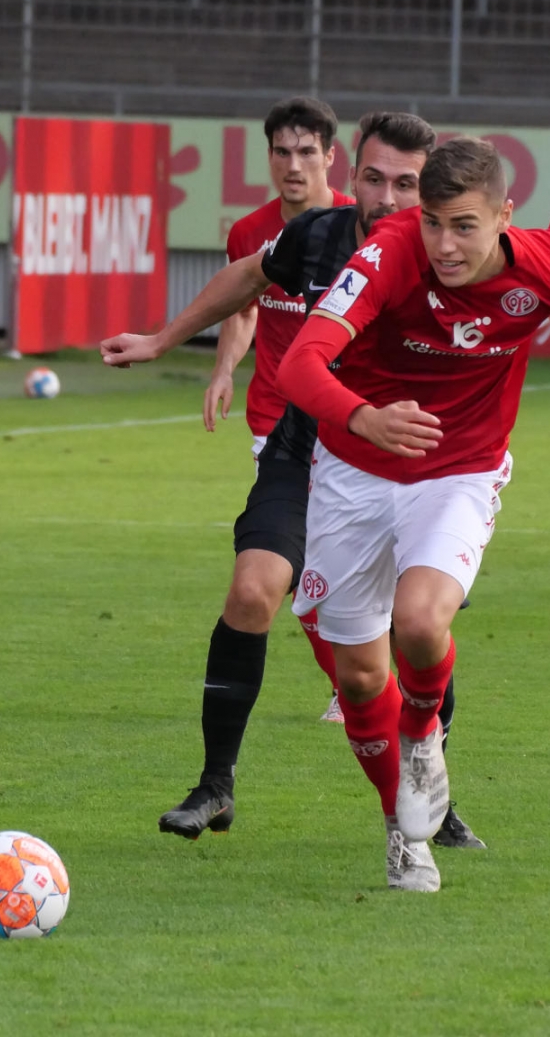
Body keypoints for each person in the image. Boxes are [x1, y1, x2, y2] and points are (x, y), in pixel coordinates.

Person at [101, 114, 485, 882]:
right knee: (252, 591)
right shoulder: (316, 237)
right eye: (373, 179)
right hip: (302, 453)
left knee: (395, 648)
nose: (383, 197)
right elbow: (248, 276)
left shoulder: (453, 258)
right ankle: (215, 786)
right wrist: (162, 340)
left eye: (404, 183)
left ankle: (426, 788)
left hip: (401, 474)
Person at [274, 135, 550, 891]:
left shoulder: (549, 266)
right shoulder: (392, 253)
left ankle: (424, 730)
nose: (444, 243)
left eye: (464, 225)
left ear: (505, 215)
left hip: (461, 471)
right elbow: (300, 362)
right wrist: (365, 418)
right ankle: (404, 830)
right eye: (432, 222)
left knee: (423, 623)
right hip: (355, 471)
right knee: (361, 678)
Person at [204, 97, 353, 724]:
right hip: (276, 421)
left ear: (330, 156)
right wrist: (223, 368)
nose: (293, 165)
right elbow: (243, 309)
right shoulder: (250, 231)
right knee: (300, 571)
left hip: (347, 423)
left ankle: (364, 681)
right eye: (281, 152)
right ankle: (351, 689)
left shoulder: (360, 224)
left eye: (305, 152)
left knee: (335, 569)